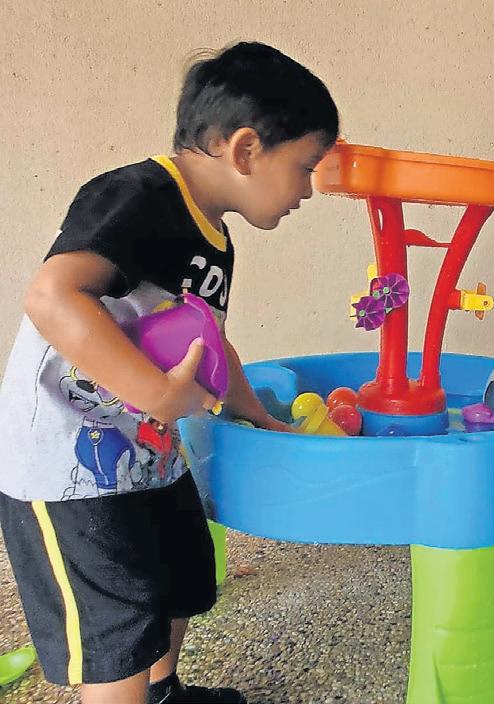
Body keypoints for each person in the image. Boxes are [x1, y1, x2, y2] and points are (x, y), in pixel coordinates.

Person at [0, 41, 339, 704]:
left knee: (178, 576)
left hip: (149, 453)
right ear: (246, 149)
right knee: (118, 631)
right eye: (305, 168)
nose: (307, 190)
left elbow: (211, 341)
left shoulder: (214, 235)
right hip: (68, 468)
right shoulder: (137, 196)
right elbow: (51, 296)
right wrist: (158, 393)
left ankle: (164, 693)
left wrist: (254, 413)